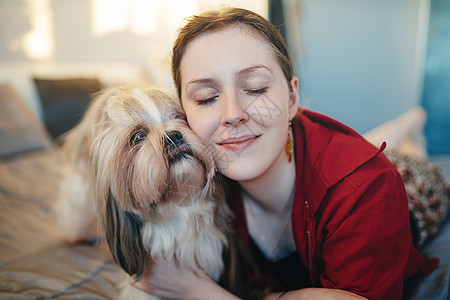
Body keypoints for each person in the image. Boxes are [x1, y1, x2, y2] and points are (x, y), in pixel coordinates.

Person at [131, 7, 439, 299]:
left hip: (415, 188)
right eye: (206, 98)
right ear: (184, 113)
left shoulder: (368, 188)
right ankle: (399, 128)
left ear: (293, 98)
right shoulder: (193, 171)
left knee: (409, 160)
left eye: (255, 88)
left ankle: (410, 129)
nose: (232, 114)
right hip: (308, 147)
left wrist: (198, 291)